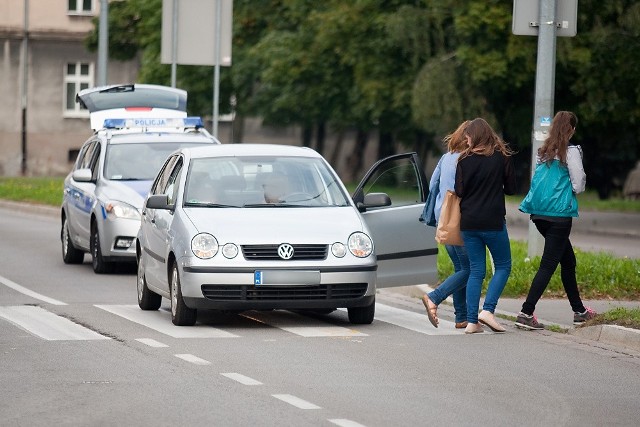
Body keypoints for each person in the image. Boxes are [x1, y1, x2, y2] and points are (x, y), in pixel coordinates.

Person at [516, 111, 596, 330]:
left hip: (539, 215)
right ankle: (526, 312)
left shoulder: (543, 152)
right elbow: (578, 184)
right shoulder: (570, 152)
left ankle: (579, 311)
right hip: (559, 216)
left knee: (568, 261)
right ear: (571, 130)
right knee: (548, 265)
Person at [455, 118, 516, 334]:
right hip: (493, 222)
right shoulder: (501, 157)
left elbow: (459, 191)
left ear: (476, 136)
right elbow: (511, 188)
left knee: (476, 271)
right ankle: (488, 310)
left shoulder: (463, 160)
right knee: (503, 266)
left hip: (469, 223)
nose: (467, 140)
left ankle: (472, 322)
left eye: (468, 136)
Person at [421, 121, 470, 329]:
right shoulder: (467, 159)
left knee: (460, 268)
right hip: (460, 219)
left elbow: (433, 185)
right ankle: (434, 297)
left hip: (444, 219)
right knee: (471, 268)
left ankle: (461, 317)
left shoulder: (445, 158)